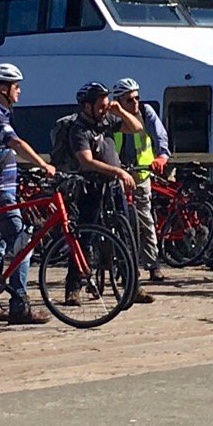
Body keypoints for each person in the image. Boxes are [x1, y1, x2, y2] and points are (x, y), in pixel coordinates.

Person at [0, 63, 56, 324]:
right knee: (23, 245)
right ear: (3, 89)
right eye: (16, 87)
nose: (19, 91)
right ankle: (19, 305)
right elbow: (15, 143)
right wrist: (43, 164)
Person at [68, 81, 153, 305]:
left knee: (125, 236)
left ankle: (133, 286)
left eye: (106, 105)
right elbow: (86, 161)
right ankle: (73, 287)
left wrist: (121, 111)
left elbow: (137, 128)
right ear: (87, 106)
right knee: (85, 236)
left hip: (113, 186)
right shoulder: (79, 129)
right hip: (91, 187)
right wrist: (118, 171)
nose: (104, 109)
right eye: (101, 106)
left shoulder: (106, 121)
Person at [111, 78, 170, 283]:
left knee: (145, 219)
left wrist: (161, 157)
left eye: (137, 98)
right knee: (117, 220)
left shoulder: (145, 112)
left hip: (141, 173)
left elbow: (160, 135)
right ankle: (124, 266)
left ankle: (153, 265)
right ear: (118, 101)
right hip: (118, 174)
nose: (135, 102)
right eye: (129, 100)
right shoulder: (111, 117)